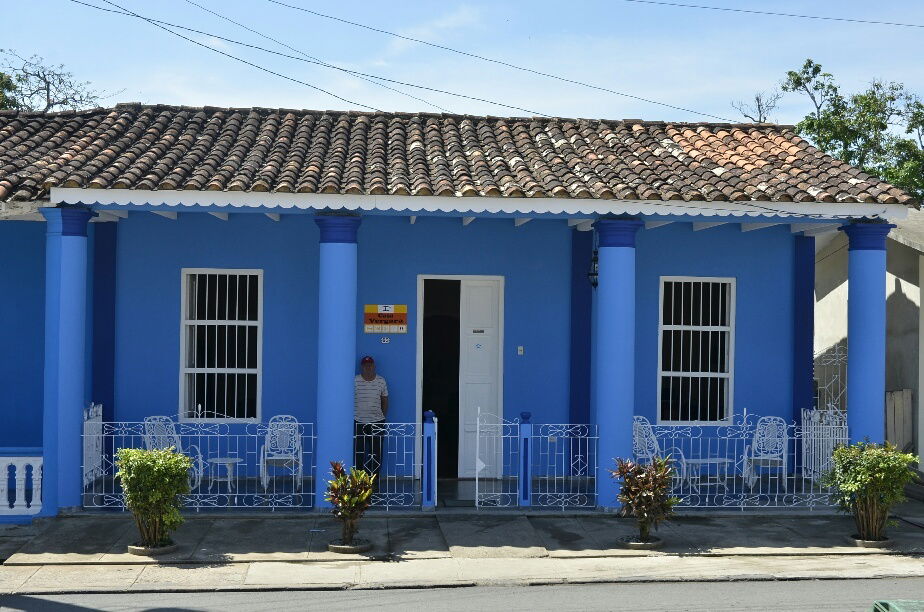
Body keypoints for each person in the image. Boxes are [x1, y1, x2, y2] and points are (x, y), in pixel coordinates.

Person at [354, 355, 388, 478]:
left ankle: (374, 477)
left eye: (370, 365)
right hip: (358, 421)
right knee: (359, 451)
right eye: (365, 365)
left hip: (377, 421)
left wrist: (382, 416)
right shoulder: (355, 380)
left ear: (374, 366)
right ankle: (359, 478)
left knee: (376, 451)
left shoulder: (381, 381)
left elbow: (385, 399)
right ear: (362, 367)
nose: (368, 367)